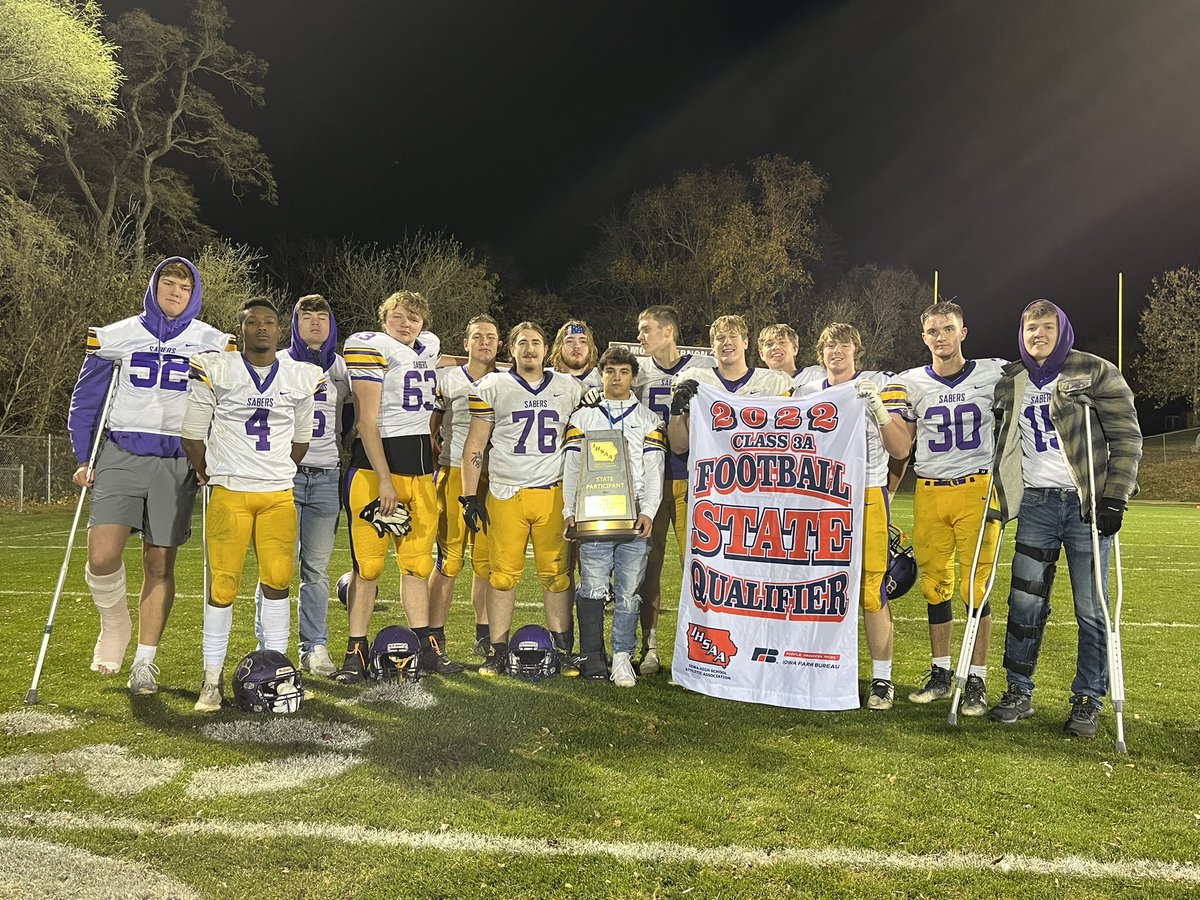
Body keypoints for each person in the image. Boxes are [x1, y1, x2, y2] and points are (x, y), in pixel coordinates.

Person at [67, 257, 232, 696]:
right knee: (102, 555)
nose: (175, 292)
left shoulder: (214, 343)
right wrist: (84, 456)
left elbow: (227, 406)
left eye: (184, 286)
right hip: (121, 451)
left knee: (159, 563)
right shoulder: (116, 335)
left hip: (177, 460)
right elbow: (87, 401)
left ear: (194, 293)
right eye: (168, 283)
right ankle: (115, 623)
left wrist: (211, 459)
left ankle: (144, 661)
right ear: (154, 287)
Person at [986, 299, 1141, 739]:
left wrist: (1115, 497)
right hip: (1036, 504)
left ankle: (1088, 698)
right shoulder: (1012, 380)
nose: (1038, 334)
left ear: (1062, 331)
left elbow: (1126, 437)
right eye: (1031, 327)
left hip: (1083, 505)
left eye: (1047, 326)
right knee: (1025, 602)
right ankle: (1019, 690)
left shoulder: (1095, 371)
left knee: (1091, 608)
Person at [181, 297, 324, 712]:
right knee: (223, 586)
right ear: (240, 329)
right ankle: (211, 680)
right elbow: (192, 434)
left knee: (278, 581)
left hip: (277, 494)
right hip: (230, 491)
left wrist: (273, 470)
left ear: (279, 330)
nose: (261, 327)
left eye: (269, 321)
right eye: (252, 322)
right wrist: (211, 472)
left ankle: (281, 674)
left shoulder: (301, 375)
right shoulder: (217, 368)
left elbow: (301, 440)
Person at [881, 302, 1006, 716]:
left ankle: (977, 679)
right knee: (935, 586)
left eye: (948, 329)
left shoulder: (993, 372)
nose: (941, 337)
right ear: (924, 338)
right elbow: (901, 445)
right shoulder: (910, 382)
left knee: (976, 588)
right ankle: (941, 673)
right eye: (933, 331)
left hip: (977, 489)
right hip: (931, 490)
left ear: (963, 332)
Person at [340, 291, 460, 682]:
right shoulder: (370, 346)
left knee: (417, 565)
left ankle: (425, 647)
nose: (406, 324)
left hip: (420, 474)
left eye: (414, 318)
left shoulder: (428, 346)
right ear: (384, 320)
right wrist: (385, 480)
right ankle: (355, 652)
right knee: (368, 567)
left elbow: (436, 360)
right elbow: (366, 422)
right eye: (398, 316)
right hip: (375, 474)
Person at [459, 322, 586, 675]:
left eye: (536, 342)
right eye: (523, 343)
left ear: (546, 349)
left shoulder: (569, 387)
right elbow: (475, 444)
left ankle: (562, 651)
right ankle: (497, 651)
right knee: (502, 577)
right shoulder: (493, 386)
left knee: (557, 577)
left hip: (552, 491)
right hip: (506, 492)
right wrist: (469, 495)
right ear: (511, 349)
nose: (530, 349)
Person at [793, 323, 908, 710]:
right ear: (820, 353)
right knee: (815, 588)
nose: (836, 351)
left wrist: (879, 409)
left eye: (844, 344)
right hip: (820, 498)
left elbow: (901, 450)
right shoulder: (807, 391)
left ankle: (882, 679)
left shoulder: (878, 384)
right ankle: (817, 668)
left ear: (857, 350)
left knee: (872, 590)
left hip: (866, 493)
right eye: (829, 345)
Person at [252, 295, 351, 678]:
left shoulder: (341, 367)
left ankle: (315, 647)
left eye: (322, 316)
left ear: (331, 323)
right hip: (285, 476)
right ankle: (269, 648)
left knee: (317, 570)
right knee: (276, 567)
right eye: (306, 315)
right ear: (294, 323)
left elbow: (357, 412)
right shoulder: (279, 361)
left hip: (326, 475)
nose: (315, 322)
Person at [563, 346, 666, 686]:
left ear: (633, 377)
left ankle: (622, 656)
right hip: (594, 516)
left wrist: (648, 511)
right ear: (601, 375)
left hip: (633, 514)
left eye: (623, 372)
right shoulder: (583, 418)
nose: (617, 378)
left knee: (628, 591)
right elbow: (572, 468)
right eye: (610, 372)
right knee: (592, 586)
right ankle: (593, 655)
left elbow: (654, 472)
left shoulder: (650, 420)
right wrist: (569, 511)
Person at [632, 305, 715, 675]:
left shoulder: (703, 370)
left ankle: (701, 647)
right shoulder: (638, 371)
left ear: (668, 331)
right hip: (648, 480)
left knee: (696, 566)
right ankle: (649, 646)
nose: (640, 337)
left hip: (690, 478)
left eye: (646, 329)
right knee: (647, 567)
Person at [428, 315, 499, 658]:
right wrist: (438, 457)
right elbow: (431, 427)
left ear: (499, 344)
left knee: (485, 562)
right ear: (466, 342)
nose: (484, 342)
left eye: (491, 337)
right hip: (455, 472)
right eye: (478, 336)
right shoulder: (448, 379)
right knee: (449, 559)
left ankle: (484, 634)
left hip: (493, 477)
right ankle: (433, 635)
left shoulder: (506, 381)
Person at [667, 314, 794, 456]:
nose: (727, 342)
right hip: (711, 467)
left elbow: (788, 438)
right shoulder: (695, 380)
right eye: (720, 338)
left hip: (759, 466)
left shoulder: (774, 382)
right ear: (712, 346)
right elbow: (679, 447)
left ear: (745, 343)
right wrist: (676, 411)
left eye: (733, 336)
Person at [757, 323, 825, 393]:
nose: (775, 347)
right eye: (769, 344)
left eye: (782, 342)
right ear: (761, 354)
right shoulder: (756, 389)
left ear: (795, 349)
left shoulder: (816, 376)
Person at [549, 320, 602, 390]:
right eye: (569, 341)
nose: (577, 346)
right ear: (559, 347)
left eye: (583, 341)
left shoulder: (603, 379)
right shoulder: (546, 379)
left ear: (591, 347)